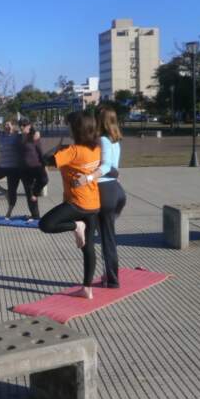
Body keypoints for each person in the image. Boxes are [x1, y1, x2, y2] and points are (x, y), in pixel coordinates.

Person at [38, 112, 101, 299]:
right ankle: (87, 288)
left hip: (76, 204)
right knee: (88, 247)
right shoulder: (95, 149)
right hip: (93, 204)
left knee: (45, 225)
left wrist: (56, 148)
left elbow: (44, 161)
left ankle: (76, 225)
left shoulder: (72, 151)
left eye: (70, 126)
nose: (68, 129)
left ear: (76, 129)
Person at [75, 106, 126, 288]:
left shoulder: (103, 140)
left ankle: (111, 280)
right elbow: (115, 168)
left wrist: (86, 178)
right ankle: (110, 277)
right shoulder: (115, 141)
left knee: (103, 238)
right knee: (108, 237)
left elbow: (105, 167)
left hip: (104, 191)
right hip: (115, 190)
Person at [17, 118, 48, 221]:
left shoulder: (35, 136)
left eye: (24, 125)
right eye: (20, 125)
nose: (22, 127)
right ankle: (35, 216)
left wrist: (44, 164)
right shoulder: (19, 136)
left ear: (29, 125)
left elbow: (40, 150)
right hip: (24, 169)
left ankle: (35, 193)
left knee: (44, 180)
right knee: (28, 193)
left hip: (36, 166)